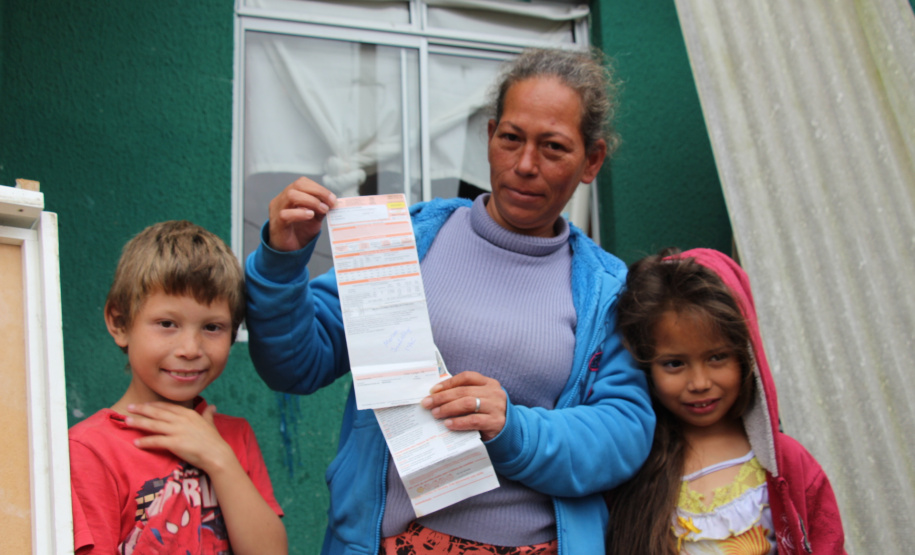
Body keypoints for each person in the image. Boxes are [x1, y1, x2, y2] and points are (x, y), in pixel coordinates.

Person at [245, 47, 654, 554]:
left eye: (553, 148)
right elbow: (295, 365)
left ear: (591, 160)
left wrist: (514, 428)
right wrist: (282, 261)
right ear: (488, 137)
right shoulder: (411, 241)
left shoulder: (607, 289)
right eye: (511, 138)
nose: (525, 165)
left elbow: (624, 431)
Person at [606, 248, 847, 554]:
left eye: (717, 357)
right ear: (644, 365)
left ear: (746, 356)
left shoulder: (788, 465)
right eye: (674, 364)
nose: (700, 383)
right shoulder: (633, 463)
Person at [68, 220, 287, 555]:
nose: (190, 348)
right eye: (167, 324)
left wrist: (218, 459)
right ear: (119, 323)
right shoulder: (89, 450)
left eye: (212, 327)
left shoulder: (234, 438)